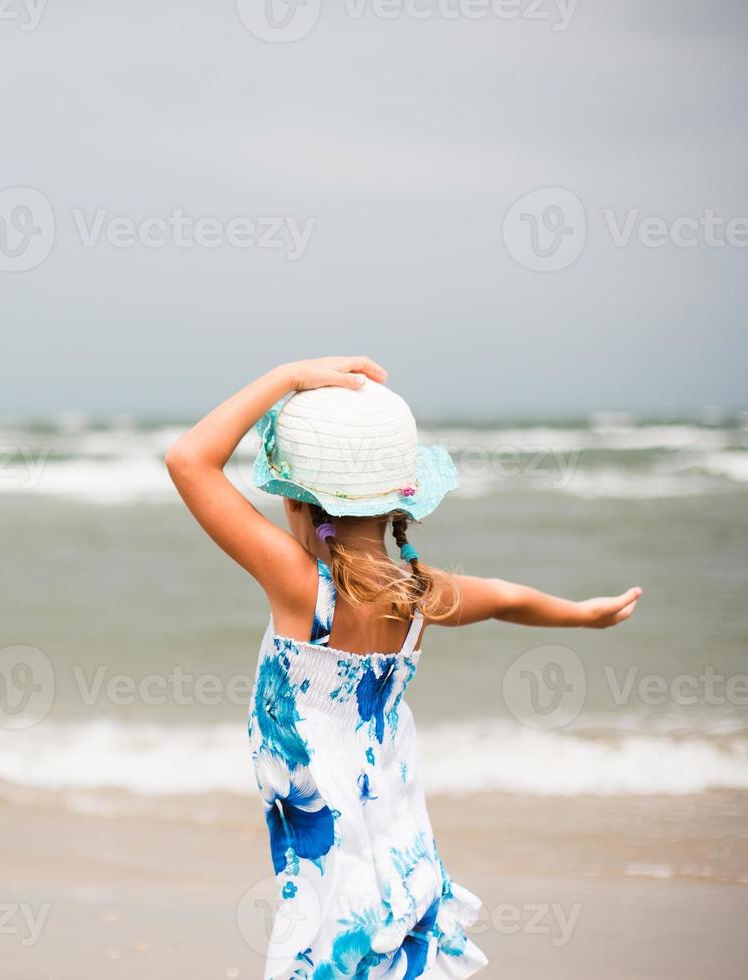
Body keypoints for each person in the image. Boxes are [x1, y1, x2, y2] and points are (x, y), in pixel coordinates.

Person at [165, 356, 640, 979]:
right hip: (389, 822)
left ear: (299, 507)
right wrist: (583, 614)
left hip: (331, 839)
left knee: (324, 951)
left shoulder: (301, 586)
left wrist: (288, 377)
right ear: (395, 508)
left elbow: (188, 460)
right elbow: (505, 598)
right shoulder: (419, 594)